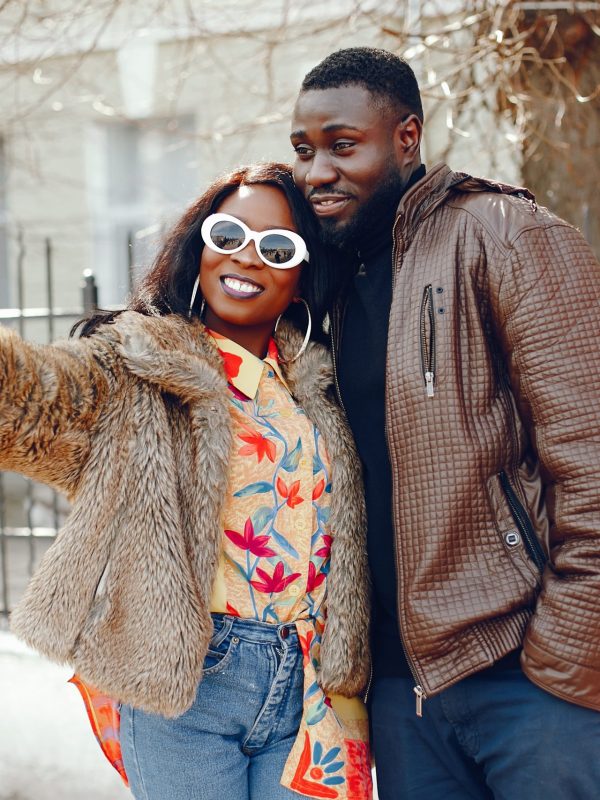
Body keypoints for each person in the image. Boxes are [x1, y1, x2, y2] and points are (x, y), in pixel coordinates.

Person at [6, 162, 373, 800]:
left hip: (310, 691)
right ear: (200, 247)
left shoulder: (321, 389)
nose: (247, 258)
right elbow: (34, 401)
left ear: (301, 276)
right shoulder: (138, 369)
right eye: (227, 235)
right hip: (186, 682)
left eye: (277, 248)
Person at [290, 46, 600, 800]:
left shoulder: (503, 233)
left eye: (342, 145)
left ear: (406, 138)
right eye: (302, 150)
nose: (316, 171)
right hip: (400, 694)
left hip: (527, 680)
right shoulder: (325, 279)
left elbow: (590, 454)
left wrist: (565, 660)